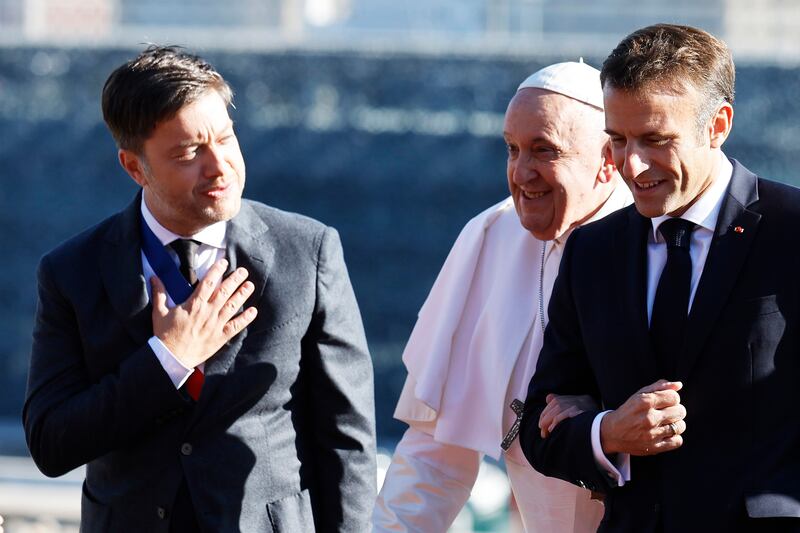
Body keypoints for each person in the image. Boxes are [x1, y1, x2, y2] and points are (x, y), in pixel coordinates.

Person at [23, 45, 376, 532]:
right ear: (134, 167)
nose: (219, 167)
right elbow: (50, 443)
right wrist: (168, 358)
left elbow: (346, 438)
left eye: (226, 139)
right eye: (190, 153)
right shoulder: (71, 272)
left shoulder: (308, 251)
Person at [520, 24, 800, 532]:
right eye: (618, 139)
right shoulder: (591, 250)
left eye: (655, 139)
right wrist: (608, 432)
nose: (633, 164)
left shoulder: (793, 232)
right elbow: (540, 427)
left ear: (718, 125)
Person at [373, 61, 632, 532]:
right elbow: (434, 452)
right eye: (511, 149)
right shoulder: (489, 235)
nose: (521, 173)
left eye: (543, 150)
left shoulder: (652, 239)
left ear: (607, 161)